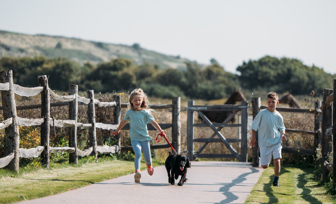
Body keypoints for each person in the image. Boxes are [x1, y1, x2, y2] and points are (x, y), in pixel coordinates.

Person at [112, 88, 166, 183]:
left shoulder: (145, 113)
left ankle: (149, 166)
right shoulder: (129, 113)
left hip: (144, 139)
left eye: (139, 100)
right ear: (131, 101)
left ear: (142, 101)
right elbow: (123, 122)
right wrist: (117, 130)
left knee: (148, 159)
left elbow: (153, 122)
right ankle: (137, 172)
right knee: (137, 153)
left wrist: (161, 130)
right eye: (135, 100)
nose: (137, 102)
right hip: (135, 139)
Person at [250, 92, 287, 187]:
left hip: (276, 142)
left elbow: (282, 128)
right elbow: (254, 127)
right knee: (264, 166)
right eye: (269, 102)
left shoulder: (278, 116)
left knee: (277, 161)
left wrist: (283, 135)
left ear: (277, 103)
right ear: (267, 102)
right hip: (264, 143)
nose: (271, 104)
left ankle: (276, 180)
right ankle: (268, 157)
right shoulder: (262, 114)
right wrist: (253, 139)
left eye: (273, 102)